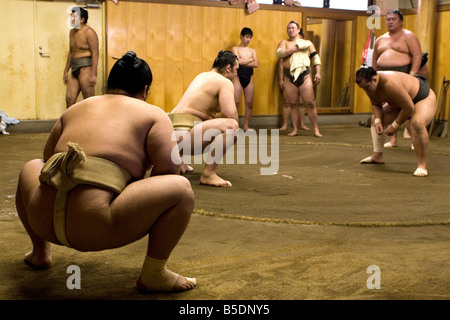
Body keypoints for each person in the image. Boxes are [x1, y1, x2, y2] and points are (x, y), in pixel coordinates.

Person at [16, 51, 196, 293]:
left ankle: (40, 251)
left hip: (42, 218)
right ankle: (154, 273)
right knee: (181, 189)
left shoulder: (75, 109)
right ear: (144, 91)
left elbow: (48, 159)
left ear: (108, 85)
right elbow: (170, 169)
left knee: (31, 165)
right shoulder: (153, 114)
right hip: (98, 226)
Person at [170, 50, 240, 187]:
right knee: (231, 126)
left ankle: (180, 163)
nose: (237, 73)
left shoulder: (201, 76)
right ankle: (209, 174)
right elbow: (230, 115)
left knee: (200, 119)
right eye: (236, 69)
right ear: (228, 68)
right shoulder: (224, 82)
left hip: (168, 135)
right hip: (183, 137)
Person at [357, 66, 436, 177]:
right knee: (375, 120)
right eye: (363, 88)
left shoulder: (390, 83)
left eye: (367, 87)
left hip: (422, 98)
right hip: (401, 103)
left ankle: (421, 165)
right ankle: (377, 155)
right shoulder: (369, 85)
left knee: (417, 122)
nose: (366, 90)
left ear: (374, 79)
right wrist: (379, 121)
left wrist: (395, 125)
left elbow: (409, 108)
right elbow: (375, 104)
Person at [372, 9, 429, 147]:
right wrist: (374, 78)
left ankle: (413, 139)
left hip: (405, 75)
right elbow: (374, 61)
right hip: (385, 77)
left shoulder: (409, 36)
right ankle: (393, 140)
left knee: (410, 107)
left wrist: (412, 74)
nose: (390, 21)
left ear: (401, 21)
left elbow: (417, 55)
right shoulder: (380, 40)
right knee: (390, 105)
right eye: (388, 19)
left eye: (393, 19)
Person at [276, 20, 322, 137]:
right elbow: (279, 53)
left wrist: (318, 73)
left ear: (298, 30)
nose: (291, 30)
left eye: (293, 28)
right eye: (289, 28)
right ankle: (295, 129)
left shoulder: (307, 43)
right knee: (293, 104)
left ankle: (316, 129)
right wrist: (293, 49)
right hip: (289, 76)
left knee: (310, 103)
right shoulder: (284, 42)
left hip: (304, 75)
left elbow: (316, 59)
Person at [63, 7, 99, 108]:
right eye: (71, 17)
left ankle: (91, 123)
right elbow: (71, 52)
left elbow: (95, 54)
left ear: (82, 19)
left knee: (89, 100)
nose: (71, 19)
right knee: (69, 99)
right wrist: (66, 70)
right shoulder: (72, 32)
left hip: (86, 69)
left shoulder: (89, 32)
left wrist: (93, 74)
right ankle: (71, 123)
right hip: (74, 69)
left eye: (74, 17)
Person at [232, 27, 258, 132]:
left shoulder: (252, 50)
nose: (248, 40)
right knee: (236, 102)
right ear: (241, 37)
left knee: (249, 103)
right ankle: (234, 126)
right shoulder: (235, 49)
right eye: (246, 37)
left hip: (249, 77)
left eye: (250, 38)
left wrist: (243, 60)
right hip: (237, 77)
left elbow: (256, 64)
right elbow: (237, 63)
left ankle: (246, 126)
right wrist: (250, 59)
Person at [278, 57, 308, 132]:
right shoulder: (285, 47)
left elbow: (308, 65)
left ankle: (302, 124)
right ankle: (285, 124)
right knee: (287, 102)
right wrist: (281, 79)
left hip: (302, 76)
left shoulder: (303, 48)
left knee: (301, 102)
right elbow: (281, 65)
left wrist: (308, 78)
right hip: (288, 76)